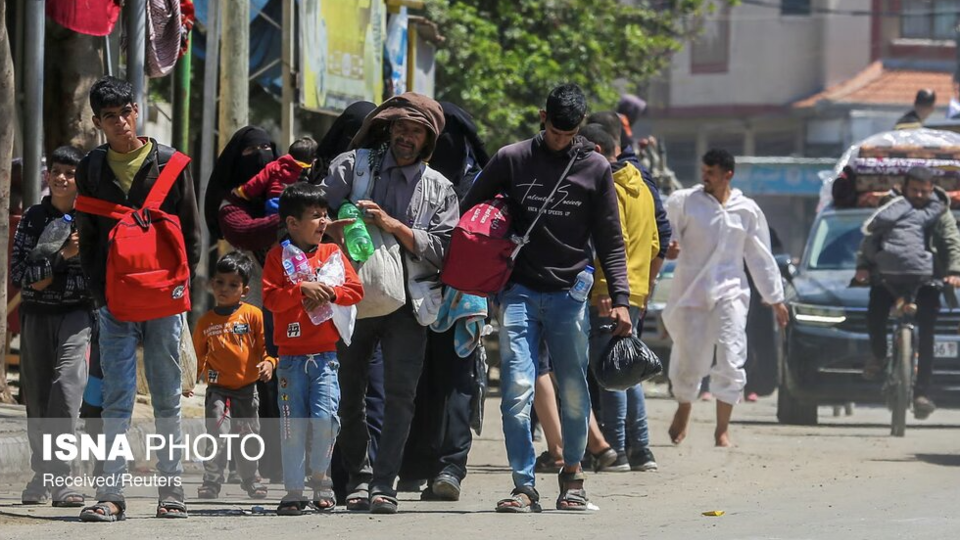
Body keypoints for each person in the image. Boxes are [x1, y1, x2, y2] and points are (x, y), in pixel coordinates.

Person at [462, 83, 633, 513]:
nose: (559, 139)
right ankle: (524, 485)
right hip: (517, 291)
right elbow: (471, 212)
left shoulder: (595, 168)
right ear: (543, 117)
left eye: (568, 131)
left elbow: (611, 241)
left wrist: (622, 299)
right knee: (517, 387)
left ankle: (572, 477)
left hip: (569, 296)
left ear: (580, 125)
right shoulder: (512, 158)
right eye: (554, 129)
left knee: (574, 389)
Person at [317, 92, 459, 514]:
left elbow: (445, 250)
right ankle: (358, 477)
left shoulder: (439, 188)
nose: (407, 137)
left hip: (408, 306)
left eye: (416, 131)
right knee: (347, 391)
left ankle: (384, 483)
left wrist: (393, 225)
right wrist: (336, 230)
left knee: (400, 395)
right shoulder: (350, 167)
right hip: (351, 298)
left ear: (427, 141)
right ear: (389, 129)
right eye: (401, 128)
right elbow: (313, 218)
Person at [75, 75, 201, 521]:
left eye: (127, 111)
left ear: (137, 110)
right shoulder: (90, 169)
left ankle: (172, 493)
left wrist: (180, 291)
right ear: (98, 122)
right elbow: (88, 238)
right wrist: (101, 295)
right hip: (115, 303)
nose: (122, 122)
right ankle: (110, 495)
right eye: (111, 116)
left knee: (168, 398)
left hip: (165, 300)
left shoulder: (171, 163)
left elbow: (191, 234)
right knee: (117, 398)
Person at [663, 149, 788, 448]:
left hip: (731, 291)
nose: (704, 176)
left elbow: (759, 256)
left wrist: (775, 298)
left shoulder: (747, 210)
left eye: (711, 172)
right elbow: (666, 234)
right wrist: (668, 249)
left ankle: (722, 430)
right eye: (703, 170)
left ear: (727, 174)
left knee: (732, 355)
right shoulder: (685, 202)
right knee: (690, 359)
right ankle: (684, 404)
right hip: (692, 291)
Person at [397, 101, 491, 501]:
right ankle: (420, 464)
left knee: (452, 380)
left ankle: (449, 467)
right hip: (416, 294)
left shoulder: (478, 183)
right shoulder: (414, 178)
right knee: (423, 381)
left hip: (460, 299)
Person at [262, 182, 364, 515]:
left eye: (325, 215)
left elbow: (355, 290)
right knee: (292, 427)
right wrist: (300, 289)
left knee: (324, 420)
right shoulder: (278, 257)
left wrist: (333, 294)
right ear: (292, 223)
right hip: (290, 361)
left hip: (325, 358)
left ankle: (321, 482)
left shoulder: (333, 253)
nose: (323, 222)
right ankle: (294, 491)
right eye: (315, 216)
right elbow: (270, 299)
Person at [11, 145, 93, 507]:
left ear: (81, 179)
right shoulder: (32, 219)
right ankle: (42, 475)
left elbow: (99, 272)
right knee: (39, 400)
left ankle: (63, 477)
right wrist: (62, 258)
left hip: (77, 315)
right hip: (35, 315)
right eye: (56, 171)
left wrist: (47, 272)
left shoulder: (92, 220)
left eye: (70, 173)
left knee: (66, 389)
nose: (62, 178)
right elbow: (21, 275)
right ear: (48, 176)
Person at [579, 124, 660, 472]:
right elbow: (654, 243)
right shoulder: (641, 184)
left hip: (611, 293)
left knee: (610, 372)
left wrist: (607, 291)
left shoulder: (608, 185)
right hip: (636, 289)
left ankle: (615, 450)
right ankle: (641, 449)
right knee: (627, 367)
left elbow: (615, 242)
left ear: (598, 148)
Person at [855, 167, 960, 419]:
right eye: (915, 190)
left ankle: (921, 394)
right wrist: (863, 267)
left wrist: (954, 271)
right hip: (888, 278)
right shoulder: (890, 208)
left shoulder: (940, 213)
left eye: (925, 191)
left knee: (927, 335)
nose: (920, 195)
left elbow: (951, 241)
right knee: (875, 311)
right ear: (904, 188)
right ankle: (879, 355)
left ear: (932, 189)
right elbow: (870, 240)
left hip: (927, 281)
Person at [188, 251, 276, 500]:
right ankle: (212, 480)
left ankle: (250, 479)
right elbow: (197, 356)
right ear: (211, 284)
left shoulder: (253, 315)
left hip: (247, 391)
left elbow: (267, 348)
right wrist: (190, 382)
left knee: (249, 437)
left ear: (245, 290)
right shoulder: (206, 322)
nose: (225, 289)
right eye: (220, 282)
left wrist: (269, 363)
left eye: (233, 284)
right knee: (216, 432)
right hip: (217, 391)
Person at [233, 136, 318, 214]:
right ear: (313, 158)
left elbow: (259, 181)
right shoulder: (310, 170)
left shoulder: (274, 165)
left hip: (274, 203)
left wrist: (242, 191)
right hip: (299, 205)